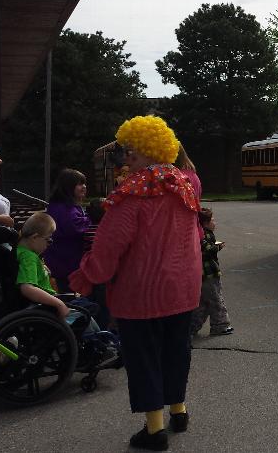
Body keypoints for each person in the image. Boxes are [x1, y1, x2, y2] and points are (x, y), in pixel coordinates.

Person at [69, 115, 201, 451]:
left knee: (144, 357)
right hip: (182, 289)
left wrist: (88, 275)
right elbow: (195, 236)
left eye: (131, 152)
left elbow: (108, 247)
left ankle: (154, 430)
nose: (126, 158)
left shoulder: (131, 195)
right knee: (176, 351)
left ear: (145, 153)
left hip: (141, 292)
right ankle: (179, 410)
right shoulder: (184, 187)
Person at [16, 211, 119, 367]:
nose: (49, 244)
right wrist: (58, 304)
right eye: (48, 240)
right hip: (45, 307)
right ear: (34, 237)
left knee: (84, 306)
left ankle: (100, 343)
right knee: (85, 312)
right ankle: (98, 347)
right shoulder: (28, 257)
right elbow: (27, 288)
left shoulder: (24, 252)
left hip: (45, 304)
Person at [44, 168, 92, 292]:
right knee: (68, 295)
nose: (84, 187)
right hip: (65, 262)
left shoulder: (64, 205)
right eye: (80, 184)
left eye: (84, 183)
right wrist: (92, 218)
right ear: (69, 187)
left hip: (64, 261)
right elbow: (76, 228)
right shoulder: (63, 208)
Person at [189, 207, 233, 337]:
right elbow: (207, 249)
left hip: (206, 275)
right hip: (208, 275)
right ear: (206, 223)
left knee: (203, 304)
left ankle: (191, 328)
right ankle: (220, 325)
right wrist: (218, 247)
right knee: (216, 300)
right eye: (213, 220)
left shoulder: (203, 233)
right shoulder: (204, 234)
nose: (215, 222)